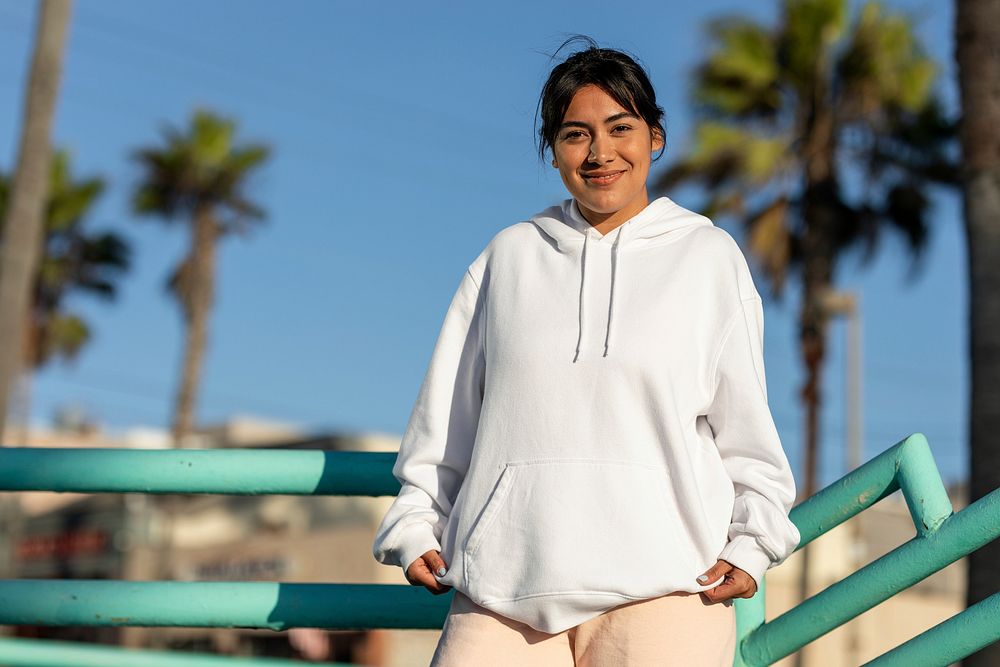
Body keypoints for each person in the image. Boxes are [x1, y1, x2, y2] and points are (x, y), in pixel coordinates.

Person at [372, 36, 800, 666]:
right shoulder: (508, 257)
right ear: (553, 151)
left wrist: (753, 544)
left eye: (620, 128)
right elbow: (445, 420)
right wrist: (414, 525)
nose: (600, 152)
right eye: (576, 134)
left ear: (655, 138)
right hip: (502, 595)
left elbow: (747, 434)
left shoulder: (709, 258)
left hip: (667, 591)